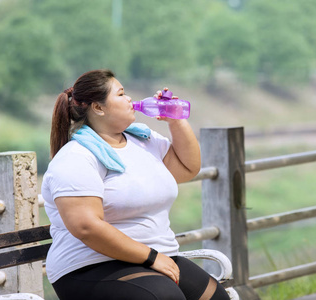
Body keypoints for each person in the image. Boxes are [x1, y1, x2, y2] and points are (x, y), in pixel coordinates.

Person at [41, 69, 230, 300]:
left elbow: (187, 168)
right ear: (98, 108)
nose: (129, 98)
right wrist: (150, 257)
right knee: (165, 297)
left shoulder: (142, 140)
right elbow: (86, 227)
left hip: (155, 256)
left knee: (216, 297)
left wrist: (176, 119)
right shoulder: (76, 157)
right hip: (91, 265)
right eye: (120, 94)